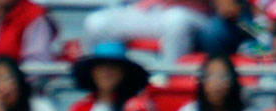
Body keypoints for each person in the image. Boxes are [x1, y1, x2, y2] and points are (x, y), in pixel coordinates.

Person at [83, 0, 211, 62]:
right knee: (97, 22)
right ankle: (107, 92)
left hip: (191, 12)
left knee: (176, 21)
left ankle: (170, 83)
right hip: (147, 10)